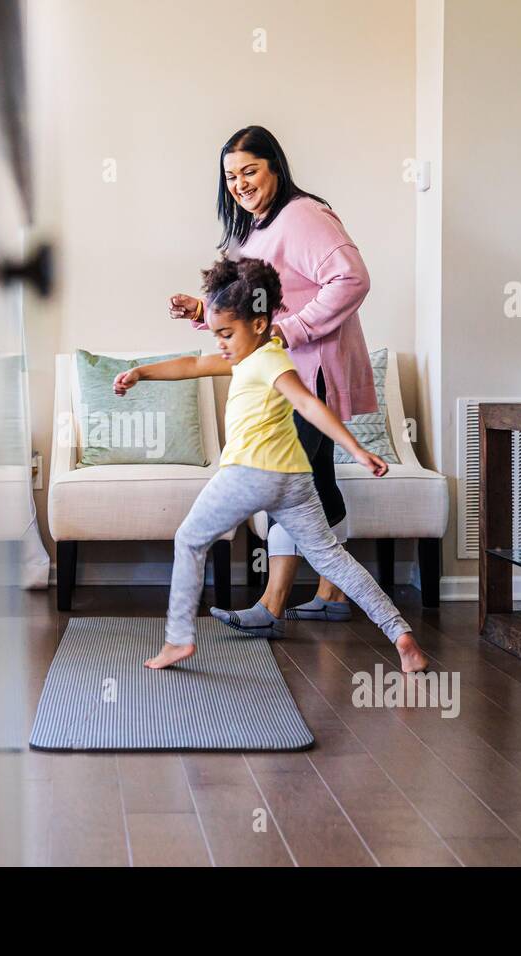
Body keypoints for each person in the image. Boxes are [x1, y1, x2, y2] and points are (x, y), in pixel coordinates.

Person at [120, 256, 429, 673]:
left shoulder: (267, 360)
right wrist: (142, 372)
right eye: (217, 334)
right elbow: (193, 365)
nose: (221, 344)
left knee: (189, 540)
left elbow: (309, 403)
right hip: (293, 481)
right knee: (332, 557)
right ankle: (401, 635)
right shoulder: (258, 356)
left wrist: (355, 448)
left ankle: (177, 641)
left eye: (227, 333)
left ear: (261, 324)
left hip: (249, 474)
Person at [169, 125, 379, 633]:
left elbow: (352, 278)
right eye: (231, 176)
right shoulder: (258, 228)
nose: (239, 183)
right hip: (287, 370)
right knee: (315, 479)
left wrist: (292, 330)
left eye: (249, 170)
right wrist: (205, 311)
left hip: (311, 370)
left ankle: (273, 602)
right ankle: (330, 594)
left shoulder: (303, 215)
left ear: (275, 168)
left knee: (285, 480)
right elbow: (252, 308)